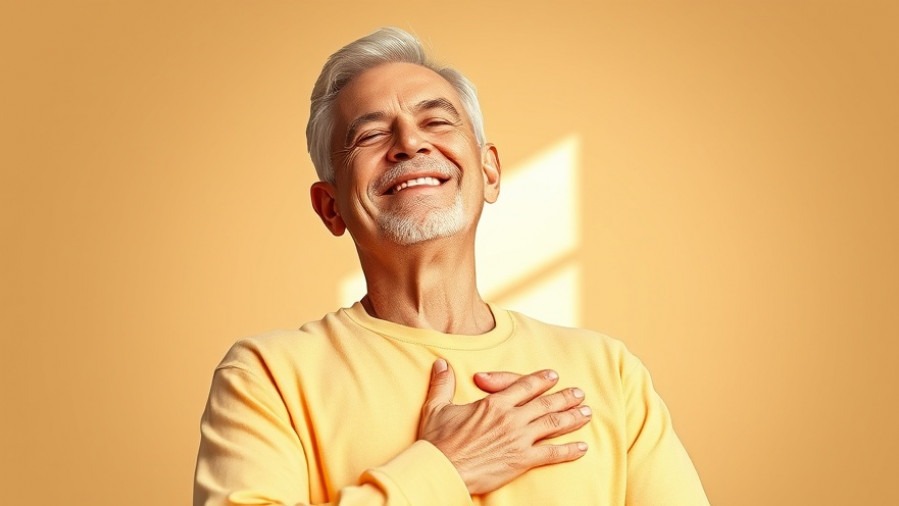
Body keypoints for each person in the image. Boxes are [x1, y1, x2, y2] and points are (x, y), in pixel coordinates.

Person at [194, 27, 709, 506]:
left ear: (489, 171)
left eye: (437, 121)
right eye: (370, 135)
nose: (409, 143)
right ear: (331, 207)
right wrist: (445, 469)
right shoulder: (266, 376)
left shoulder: (610, 372)